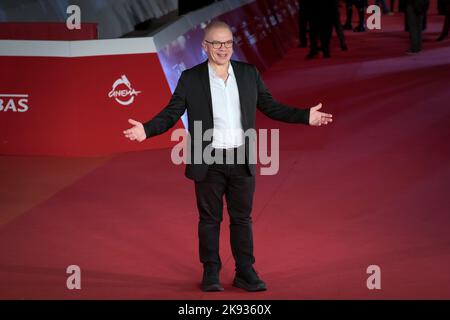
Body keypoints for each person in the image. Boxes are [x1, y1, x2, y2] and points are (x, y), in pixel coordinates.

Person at [123, 21, 333, 292]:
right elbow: (171, 113)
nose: (223, 49)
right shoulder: (191, 78)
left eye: (227, 43)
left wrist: (305, 116)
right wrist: (147, 129)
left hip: (241, 159)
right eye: (216, 43)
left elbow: (270, 106)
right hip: (208, 160)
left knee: (242, 218)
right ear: (204, 46)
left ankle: (245, 270)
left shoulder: (248, 74)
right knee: (210, 219)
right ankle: (211, 271)